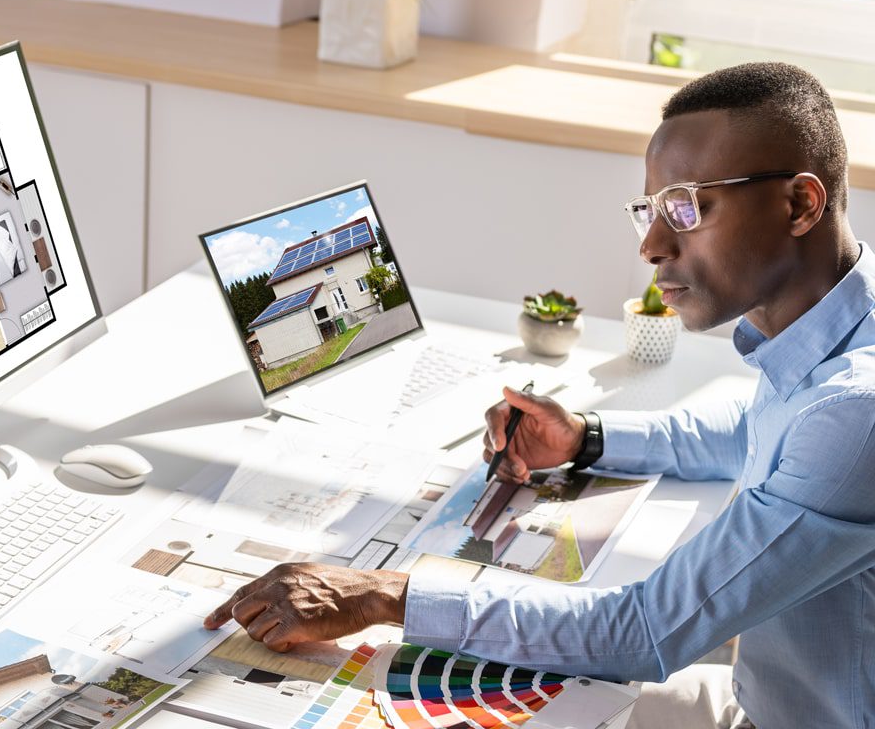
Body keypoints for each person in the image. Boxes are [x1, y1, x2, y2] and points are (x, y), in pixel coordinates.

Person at [204, 62, 875, 728]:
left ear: (800, 204)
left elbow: (640, 630)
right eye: (649, 208)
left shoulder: (856, 413)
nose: (651, 244)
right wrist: (585, 436)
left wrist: (382, 595)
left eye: (685, 206)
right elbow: (752, 431)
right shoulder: (838, 334)